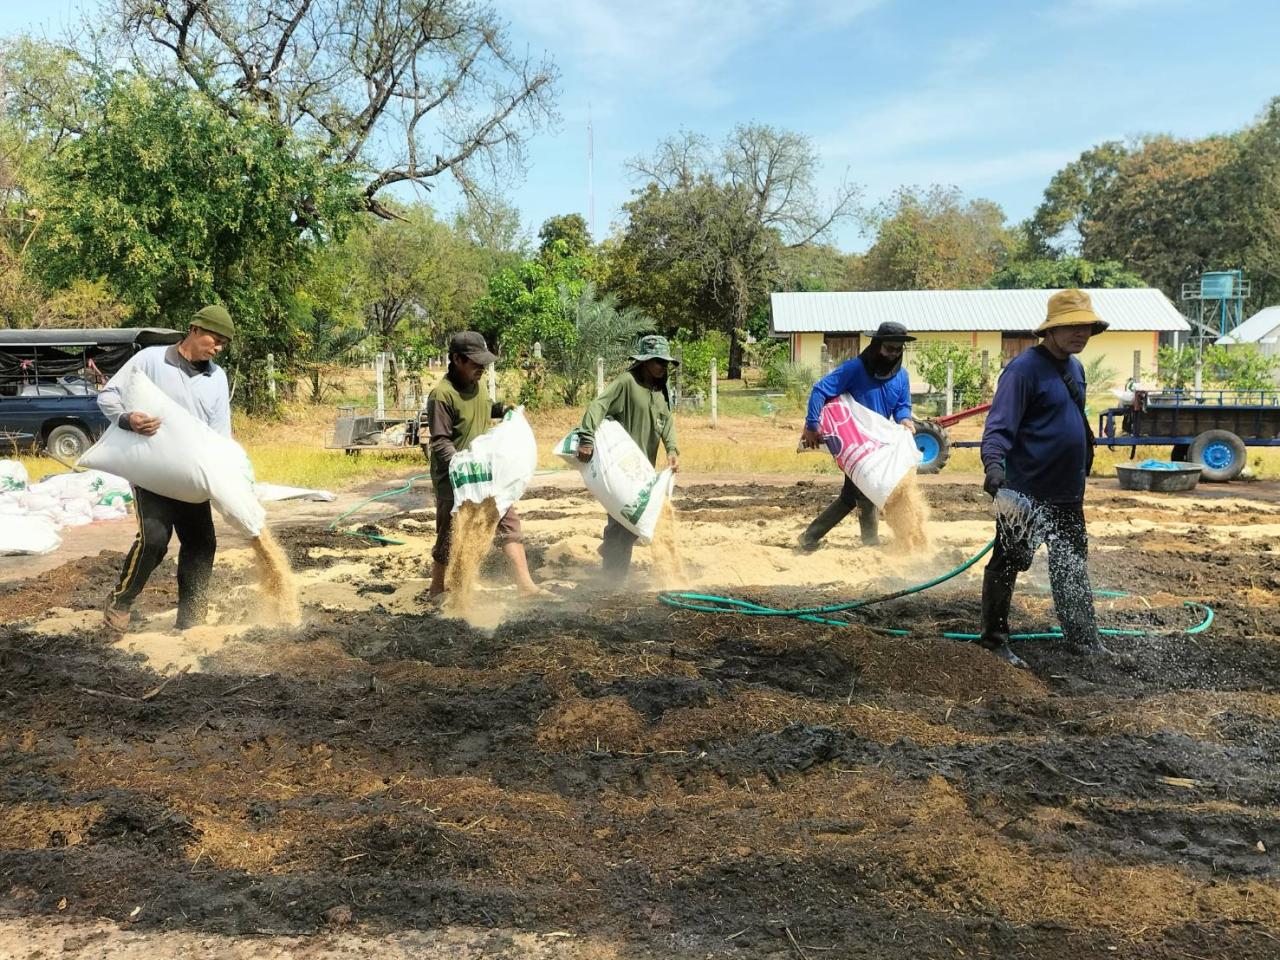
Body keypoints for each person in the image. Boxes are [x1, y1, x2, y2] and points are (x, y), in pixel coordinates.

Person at [978, 288, 1111, 667]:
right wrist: (993, 465)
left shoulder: (1076, 369)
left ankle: (1083, 641)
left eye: (1086, 326)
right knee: (1007, 562)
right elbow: (999, 426)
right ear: (1049, 331)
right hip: (1025, 494)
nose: (1080, 334)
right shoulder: (1023, 371)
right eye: (1071, 326)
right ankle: (994, 643)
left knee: (1070, 565)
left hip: (1068, 490)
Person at [99, 305, 235, 635]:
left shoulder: (216, 378)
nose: (217, 349)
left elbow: (219, 433)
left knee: (202, 542)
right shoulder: (150, 360)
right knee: (155, 539)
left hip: (190, 475)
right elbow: (108, 394)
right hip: (152, 470)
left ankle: (192, 618)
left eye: (223, 345)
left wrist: (223, 473)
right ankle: (120, 601)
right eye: (214, 340)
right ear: (194, 329)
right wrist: (127, 419)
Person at [426, 331, 543, 599]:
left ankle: (525, 585)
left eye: (484, 362)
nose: (482, 367)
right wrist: (458, 464)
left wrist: (502, 409)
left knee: (508, 522)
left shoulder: (477, 386)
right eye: (475, 362)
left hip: (484, 474)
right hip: (454, 478)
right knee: (450, 532)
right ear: (457, 359)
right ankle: (436, 589)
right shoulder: (442, 395)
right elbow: (440, 440)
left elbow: (483, 407)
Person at [798, 321, 916, 550]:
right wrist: (812, 425)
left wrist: (904, 419)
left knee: (851, 496)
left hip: (879, 445)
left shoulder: (902, 377)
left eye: (898, 350)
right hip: (853, 442)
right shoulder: (854, 369)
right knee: (868, 489)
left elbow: (902, 405)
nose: (893, 355)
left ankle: (809, 537)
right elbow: (820, 390)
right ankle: (870, 544)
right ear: (876, 345)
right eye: (888, 349)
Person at [574, 334, 680, 577]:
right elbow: (597, 406)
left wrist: (672, 450)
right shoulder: (626, 383)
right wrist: (586, 438)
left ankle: (610, 554)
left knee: (639, 520)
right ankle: (611, 580)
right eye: (656, 361)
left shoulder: (661, 390)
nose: (662, 366)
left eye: (664, 362)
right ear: (643, 362)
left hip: (644, 469)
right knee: (620, 521)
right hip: (621, 468)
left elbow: (666, 423)